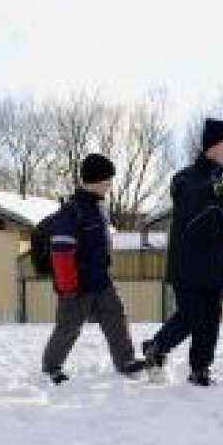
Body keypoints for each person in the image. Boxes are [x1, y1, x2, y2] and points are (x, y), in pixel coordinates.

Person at [142, 118, 223, 386]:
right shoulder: (186, 178)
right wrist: (211, 190)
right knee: (191, 314)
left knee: (210, 319)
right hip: (189, 266)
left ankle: (200, 369)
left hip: (215, 267)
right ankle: (157, 348)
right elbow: (188, 203)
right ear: (212, 146)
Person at [41, 153, 147, 384]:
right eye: (108, 181)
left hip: (100, 280)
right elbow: (61, 252)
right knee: (69, 327)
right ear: (95, 181)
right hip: (76, 284)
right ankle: (51, 367)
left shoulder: (98, 209)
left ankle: (125, 361)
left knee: (116, 318)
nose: (110, 186)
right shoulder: (72, 211)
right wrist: (68, 286)